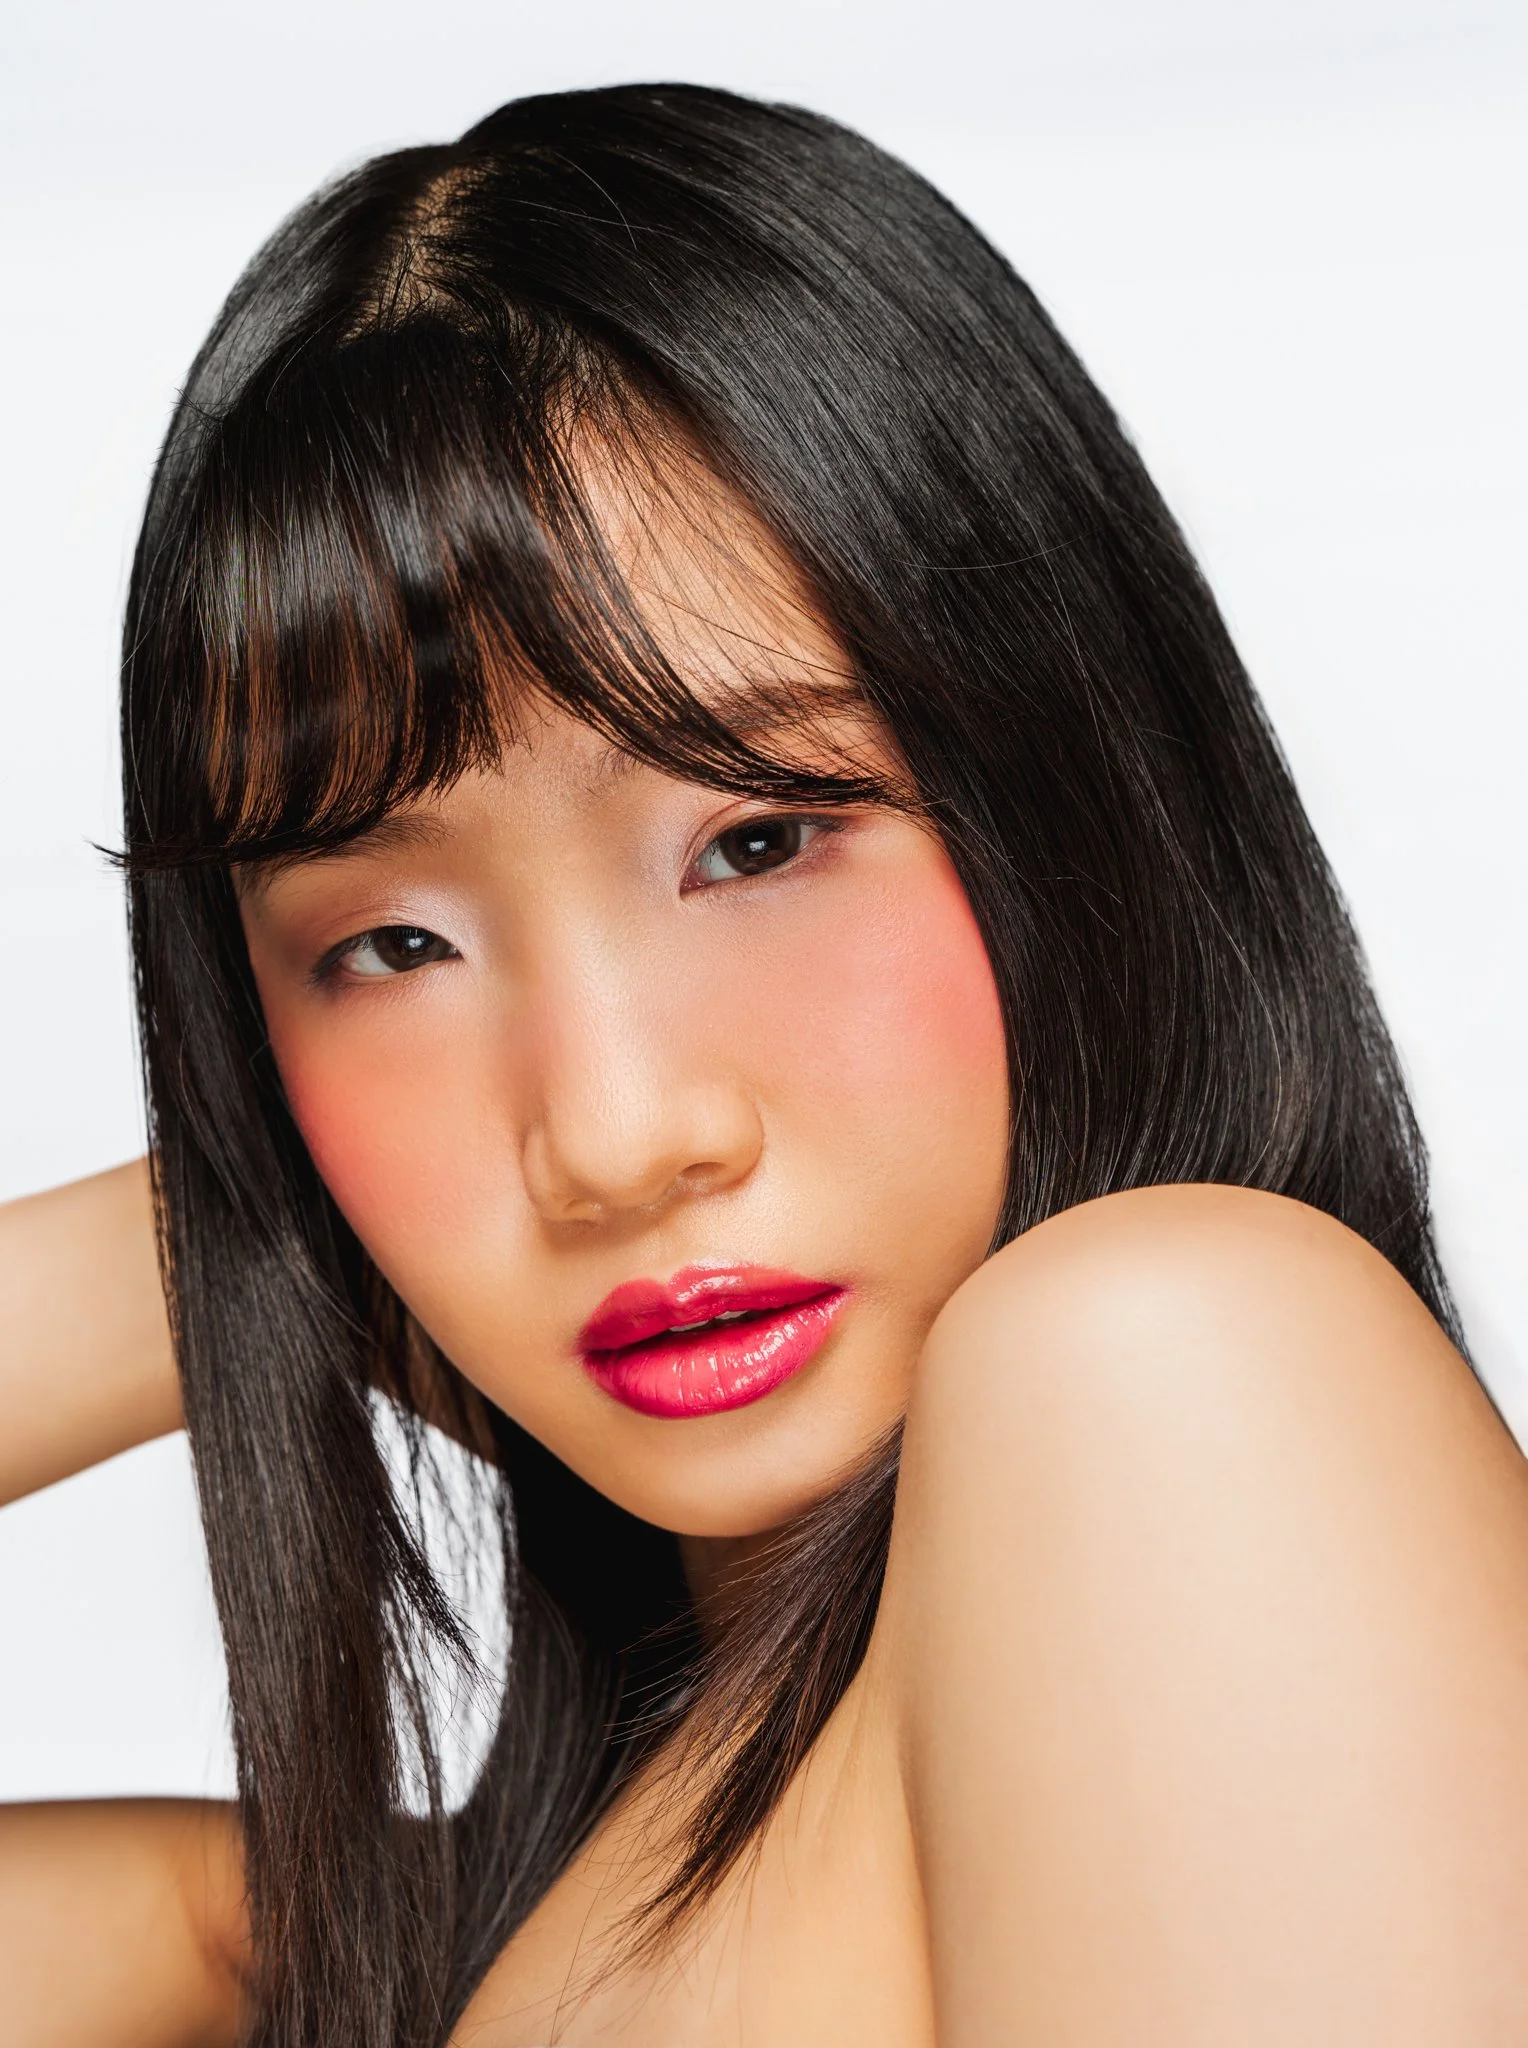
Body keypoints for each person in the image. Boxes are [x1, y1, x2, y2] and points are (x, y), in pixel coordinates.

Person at [3, 80, 1528, 2048]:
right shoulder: (402, 1946)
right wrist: (250, 1235)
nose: (619, 1136)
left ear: (1066, 792)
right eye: (387, 946)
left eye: (756, 838)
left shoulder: (1165, 1359)